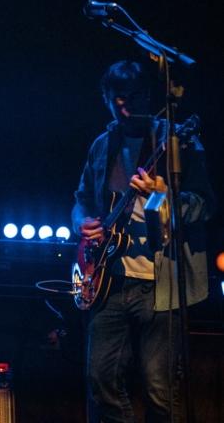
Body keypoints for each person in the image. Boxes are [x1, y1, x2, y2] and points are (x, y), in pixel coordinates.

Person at [72, 60, 214, 422]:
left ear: (148, 96)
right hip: (111, 281)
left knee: (159, 389)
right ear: (106, 100)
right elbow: (82, 198)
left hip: (162, 283)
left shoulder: (177, 140)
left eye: (133, 98)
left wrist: (164, 194)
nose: (125, 109)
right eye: (117, 101)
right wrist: (82, 223)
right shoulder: (103, 145)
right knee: (99, 378)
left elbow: (205, 204)